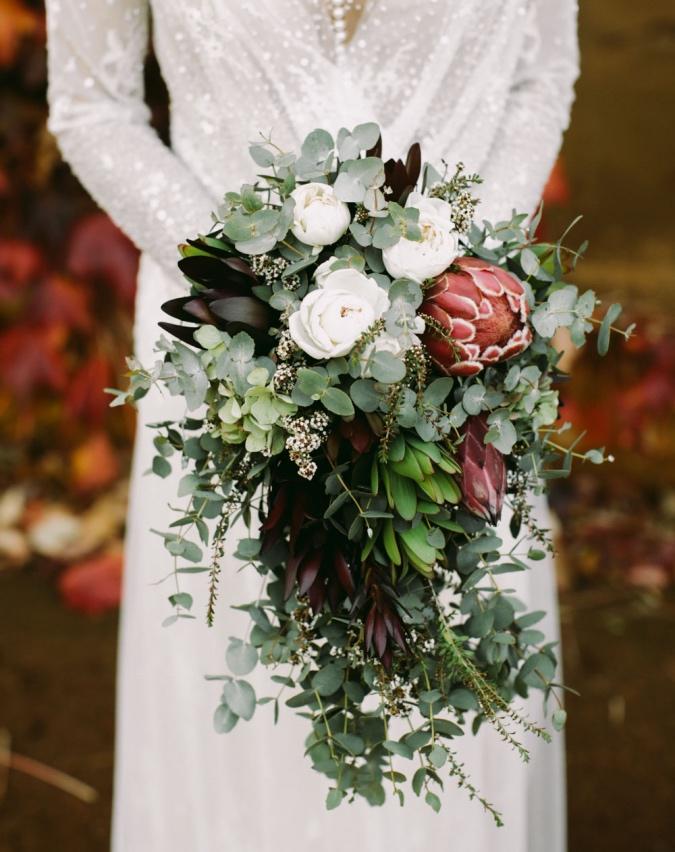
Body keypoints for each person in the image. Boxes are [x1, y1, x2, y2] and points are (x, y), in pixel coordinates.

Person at [45, 2, 578, 849]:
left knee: (447, 672)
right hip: (225, 361)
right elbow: (93, 106)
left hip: (458, 360)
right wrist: (251, 294)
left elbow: (538, 77)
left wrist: (457, 284)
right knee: (244, 676)